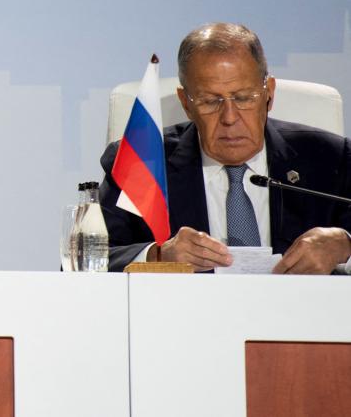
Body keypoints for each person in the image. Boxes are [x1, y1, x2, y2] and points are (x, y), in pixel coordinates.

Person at [99, 22, 351, 274]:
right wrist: (158, 256)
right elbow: (88, 261)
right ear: (186, 103)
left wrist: (345, 245)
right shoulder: (143, 164)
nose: (229, 118)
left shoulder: (330, 158)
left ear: (269, 94)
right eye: (210, 101)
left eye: (243, 98)